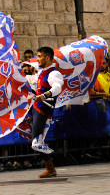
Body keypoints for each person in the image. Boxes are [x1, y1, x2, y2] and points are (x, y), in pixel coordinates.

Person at [25, 47, 64, 178]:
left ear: (47, 58)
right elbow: (32, 81)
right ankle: (50, 168)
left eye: (40, 56)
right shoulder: (42, 72)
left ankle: (52, 157)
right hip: (36, 108)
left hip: (43, 111)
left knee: (37, 144)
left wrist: (45, 95)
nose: (38, 59)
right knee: (36, 142)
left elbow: (57, 87)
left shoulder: (54, 74)